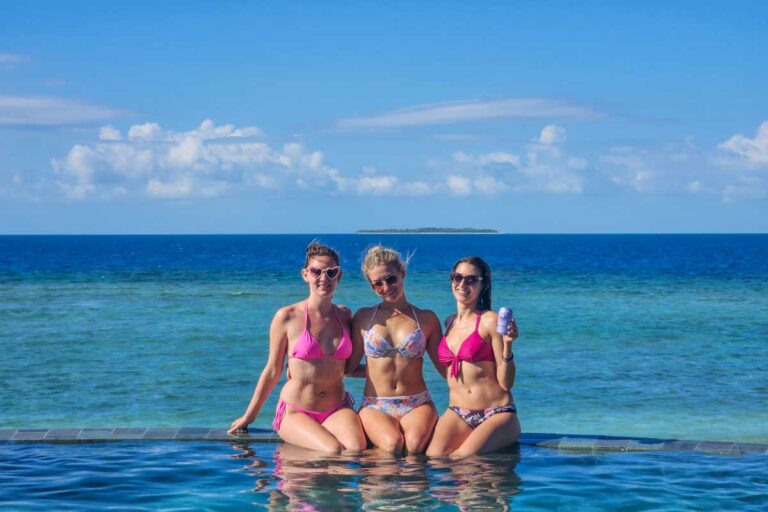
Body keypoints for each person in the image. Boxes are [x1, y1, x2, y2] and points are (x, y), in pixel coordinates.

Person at [228, 242, 366, 454]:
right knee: (331, 450)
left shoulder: (345, 316)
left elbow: (348, 368)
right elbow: (273, 370)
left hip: (337, 408)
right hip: (297, 411)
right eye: (316, 271)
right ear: (305, 274)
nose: (324, 278)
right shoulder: (287, 317)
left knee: (356, 449)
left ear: (339, 276)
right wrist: (250, 416)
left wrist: (395, 371)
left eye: (331, 272)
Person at [348, 246, 442, 454]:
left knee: (415, 446)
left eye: (390, 279)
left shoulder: (426, 318)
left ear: (402, 273)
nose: (386, 287)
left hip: (417, 402)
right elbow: (348, 368)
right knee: (392, 445)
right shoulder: (363, 317)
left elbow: (446, 368)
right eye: (377, 284)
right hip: (375, 404)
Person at [426, 256, 520, 458]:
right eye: (457, 277)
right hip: (458, 412)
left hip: (497, 413)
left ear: (482, 284)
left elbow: (506, 383)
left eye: (471, 280)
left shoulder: (490, 321)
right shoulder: (449, 322)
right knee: (434, 458)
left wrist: (508, 345)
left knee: (462, 459)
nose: (462, 284)